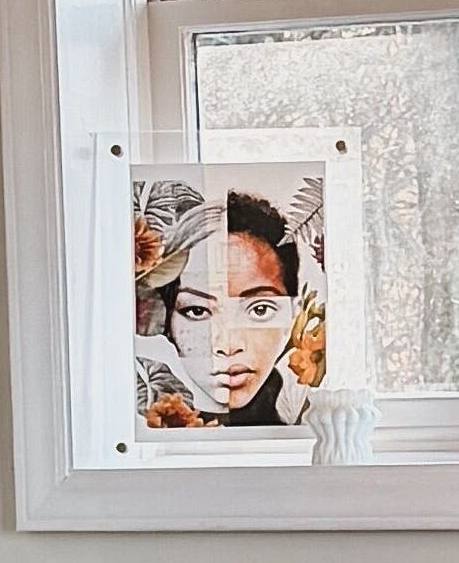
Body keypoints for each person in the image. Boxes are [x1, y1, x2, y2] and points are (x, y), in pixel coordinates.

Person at [134, 180, 325, 428]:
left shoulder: (315, 420)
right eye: (197, 311)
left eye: (259, 310)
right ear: (166, 321)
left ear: (293, 315)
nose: (227, 345)